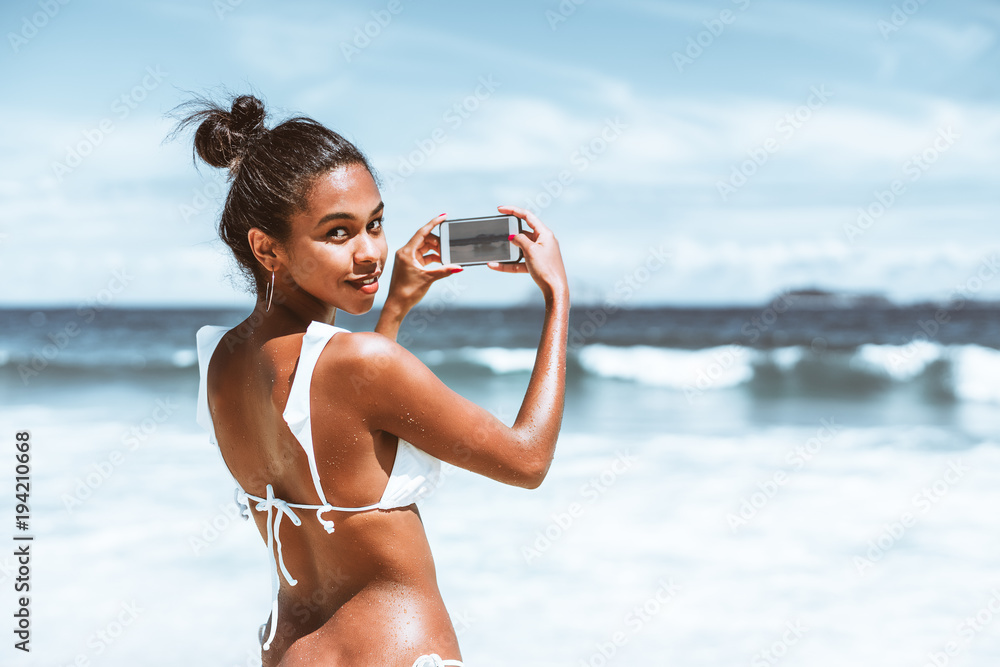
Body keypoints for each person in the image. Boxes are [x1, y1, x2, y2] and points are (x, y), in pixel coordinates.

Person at [176, 94, 569, 666]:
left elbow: (342, 432)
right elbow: (527, 461)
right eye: (338, 233)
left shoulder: (220, 360)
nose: (372, 254)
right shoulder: (360, 364)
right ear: (267, 248)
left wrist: (397, 305)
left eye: (376, 224)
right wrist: (556, 296)